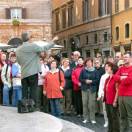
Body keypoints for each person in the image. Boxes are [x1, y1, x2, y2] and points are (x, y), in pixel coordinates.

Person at [16, 32, 55, 109]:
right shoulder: (32, 46)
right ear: (29, 38)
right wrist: (53, 42)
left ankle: (24, 107)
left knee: (24, 91)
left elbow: (19, 62)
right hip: (33, 72)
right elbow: (44, 48)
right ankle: (31, 107)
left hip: (24, 73)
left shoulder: (18, 49)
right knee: (33, 91)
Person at [115, 52, 132, 132]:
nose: (125, 58)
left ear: (131, 58)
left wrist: (121, 78)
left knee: (130, 116)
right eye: (124, 57)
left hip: (129, 95)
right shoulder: (121, 68)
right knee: (122, 116)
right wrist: (122, 77)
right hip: (121, 95)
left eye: (126, 57)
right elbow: (115, 77)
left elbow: (129, 80)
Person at [79, 58, 99, 124]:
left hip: (92, 90)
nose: (88, 63)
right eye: (87, 62)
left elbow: (97, 80)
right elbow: (80, 78)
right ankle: (86, 118)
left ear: (92, 63)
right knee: (84, 104)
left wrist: (91, 81)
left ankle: (92, 118)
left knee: (91, 104)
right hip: (84, 89)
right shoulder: (83, 70)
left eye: (90, 62)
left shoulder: (95, 71)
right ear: (86, 63)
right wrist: (85, 81)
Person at [103, 62, 120, 132]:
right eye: (105, 66)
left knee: (115, 118)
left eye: (108, 66)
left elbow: (117, 90)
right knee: (109, 117)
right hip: (107, 101)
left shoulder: (115, 78)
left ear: (112, 68)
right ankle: (110, 130)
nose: (106, 67)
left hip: (113, 101)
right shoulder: (107, 78)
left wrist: (115, 101)